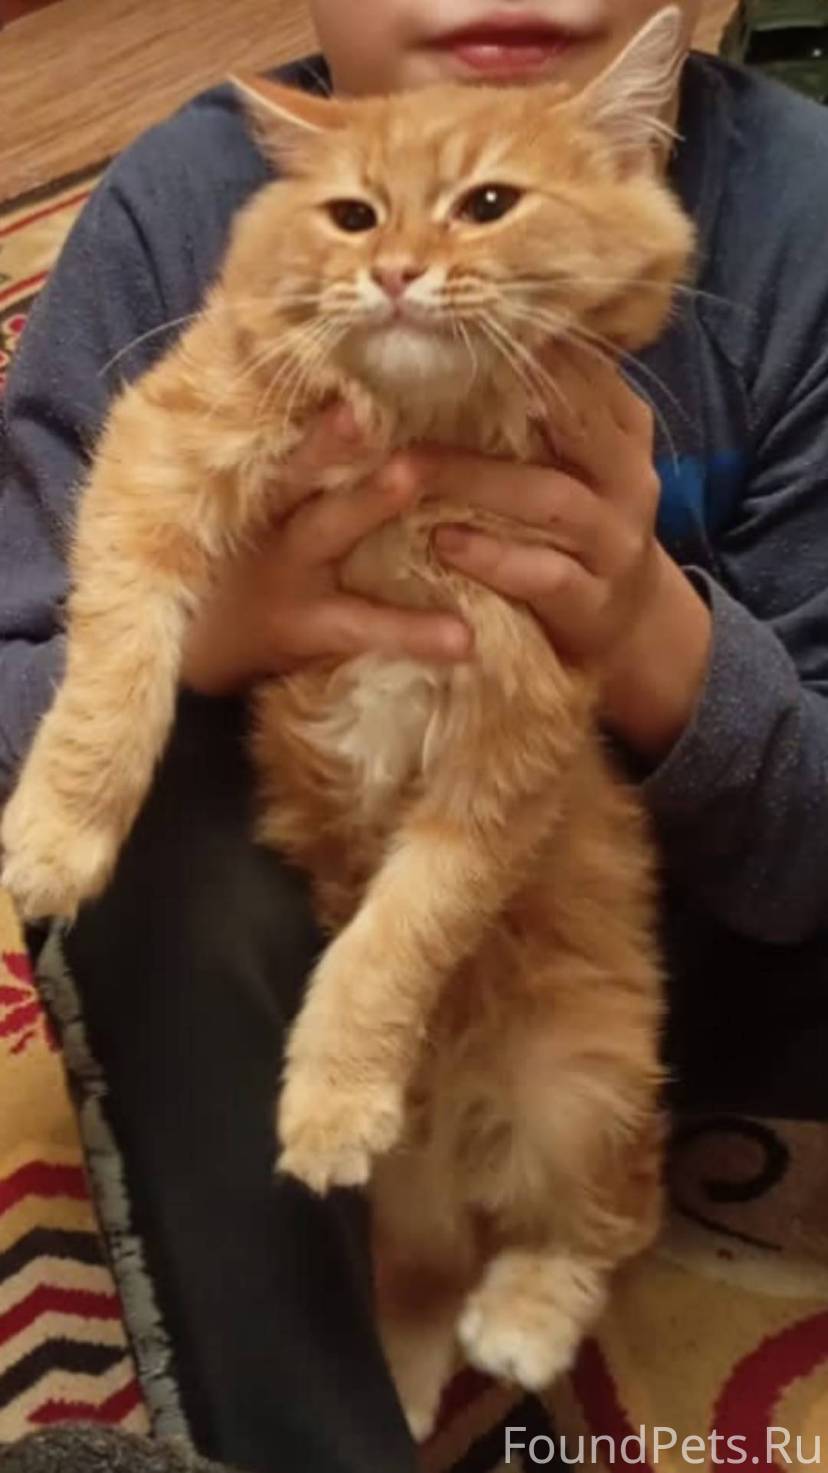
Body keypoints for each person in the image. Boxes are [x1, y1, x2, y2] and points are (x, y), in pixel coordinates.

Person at [2, 1, 828, 1469]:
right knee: (146, 852)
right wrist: (209, 637)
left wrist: (650, 630)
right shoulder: (188, 206)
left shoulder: (798, 221)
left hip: (682, 935)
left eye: (490, 202)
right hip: (303, 939)